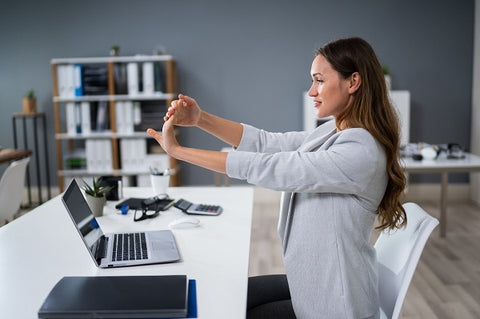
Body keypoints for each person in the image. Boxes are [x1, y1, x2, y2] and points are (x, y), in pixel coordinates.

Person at [147, 37, 407, 319]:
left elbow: (274, 167)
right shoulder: (334, 132)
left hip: (336, 306)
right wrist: (200, 119)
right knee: (232, 296)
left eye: (319, 80)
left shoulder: (360, 150)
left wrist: (178, 151)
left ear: (353, 82)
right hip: (315, 283)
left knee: (231, 309)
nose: (311, 92)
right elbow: (266, 144)